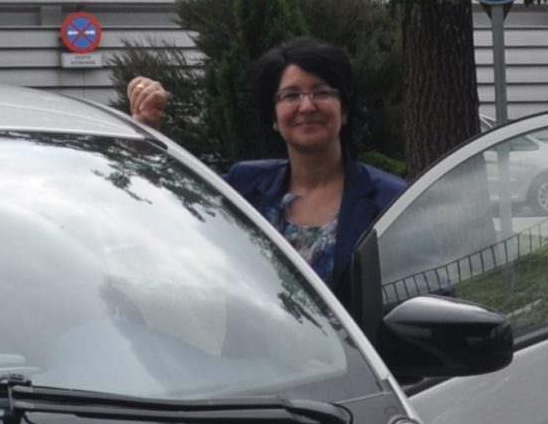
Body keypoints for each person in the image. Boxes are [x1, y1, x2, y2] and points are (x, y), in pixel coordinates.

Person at [127, 36, 405, 293]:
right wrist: (147, 135)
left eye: (321, 92)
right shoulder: (243, 186)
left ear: (344, 109)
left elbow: (418, 308)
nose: (306, 106)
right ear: (273, 116)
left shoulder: (392, 202)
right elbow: (174, 212)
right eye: (291, 95)